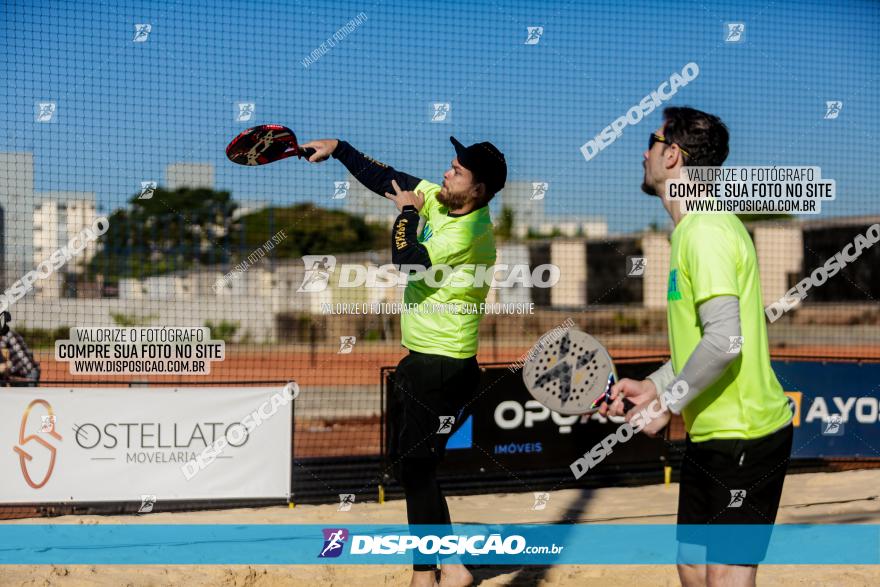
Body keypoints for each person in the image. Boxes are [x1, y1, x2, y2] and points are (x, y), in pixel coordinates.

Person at [602, 106, 794, 587]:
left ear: (672, 155)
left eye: (651, 141)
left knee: (725, 574)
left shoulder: (704, 230)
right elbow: (703, 342)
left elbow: (726, 341)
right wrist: (652, 385)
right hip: (712, 432)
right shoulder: (694, 229)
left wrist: (667, 403)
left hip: (746, 433)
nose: (643, 152)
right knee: (692, 564)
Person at [302, 136, 506, 587]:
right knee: (418, 469)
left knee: (414, 470)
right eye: (451, 164)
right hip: (429, 361)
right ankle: (451, 568)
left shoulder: (468, 232)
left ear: (478, 190)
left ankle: (424, 574)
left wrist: (408, 213)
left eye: (458, 170)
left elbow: (408, 261)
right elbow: (387, 179)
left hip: (441, 365)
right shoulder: (443, 199)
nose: (448, 171)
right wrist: (339, 148)